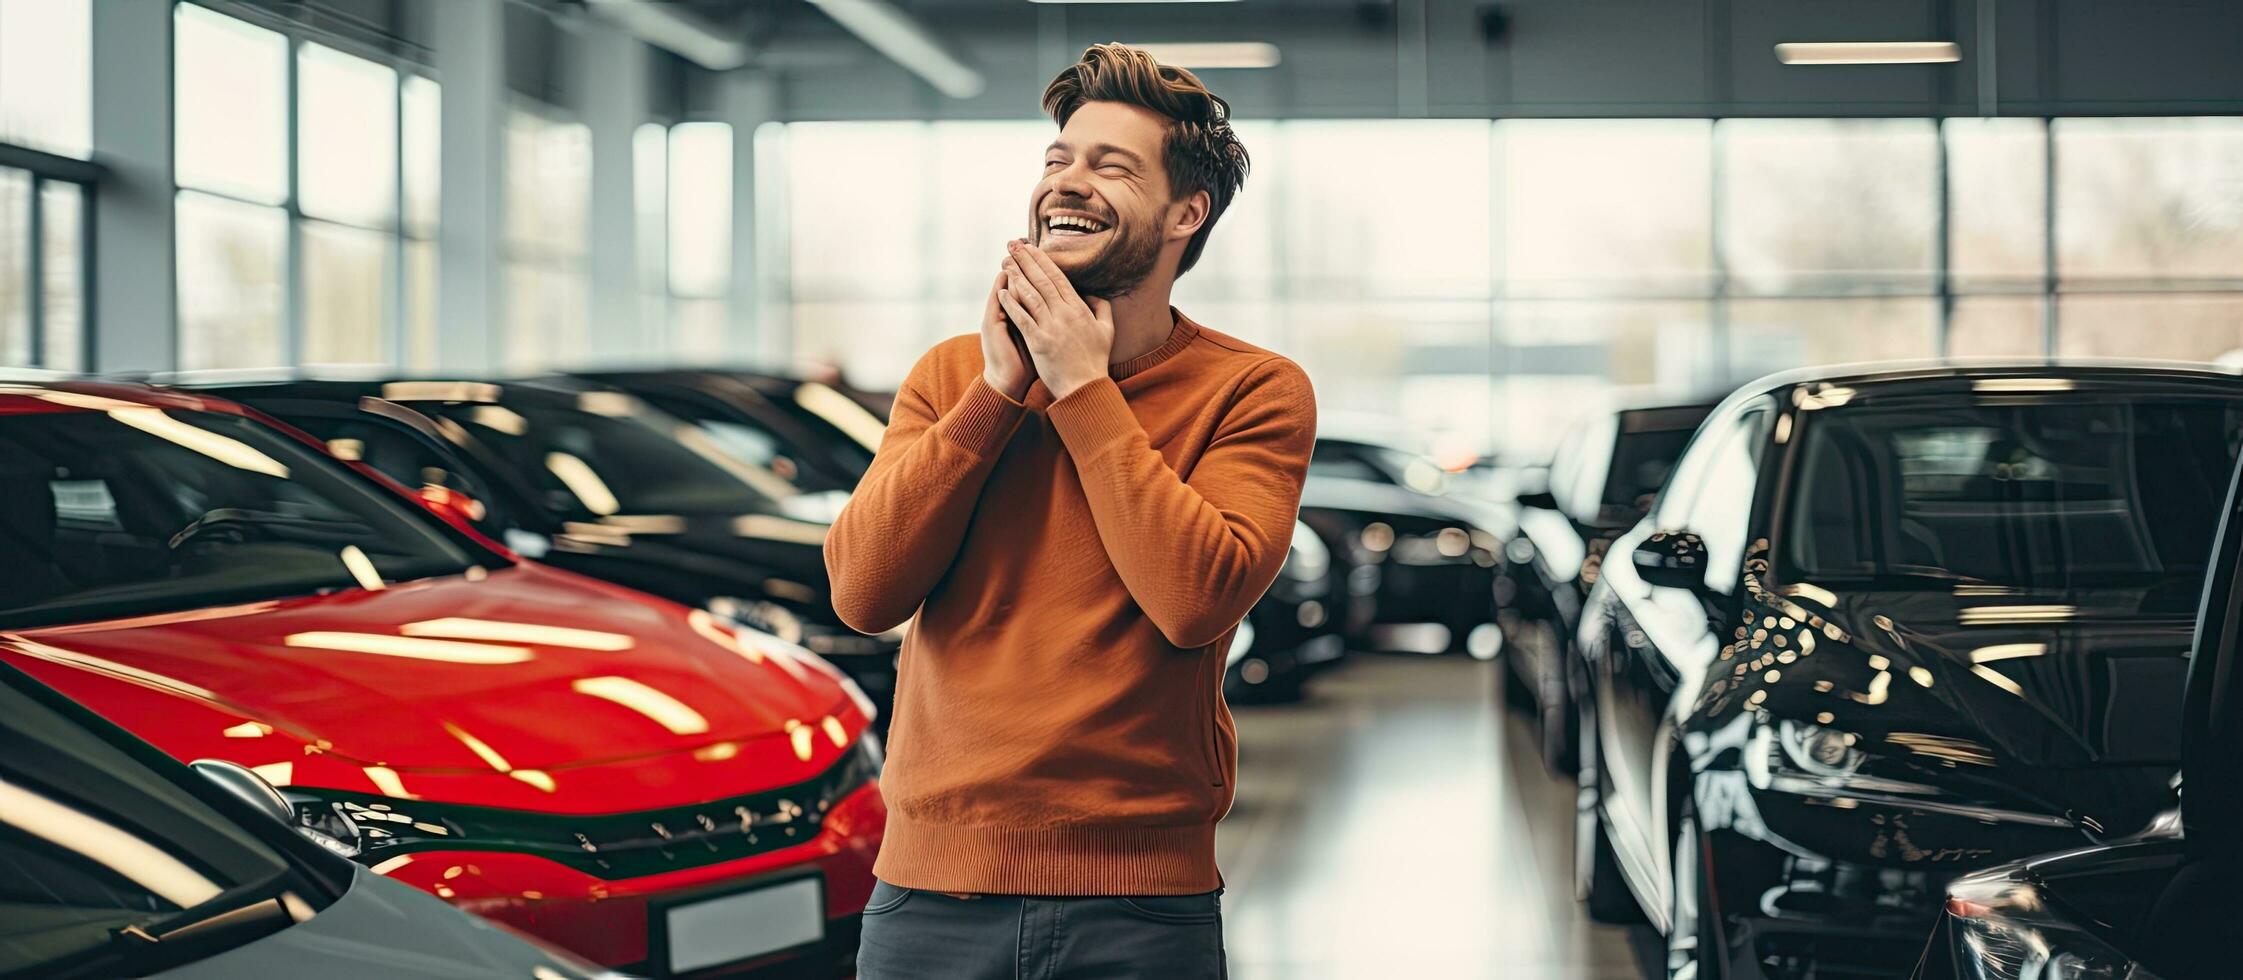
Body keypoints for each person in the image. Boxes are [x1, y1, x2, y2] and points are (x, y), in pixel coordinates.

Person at [824, 42, 1316, 979]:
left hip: (1140, 905)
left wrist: (1084, 389)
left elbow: (1194, 598)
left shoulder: (1255, 390)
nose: (1069, 183)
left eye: (1110, 165)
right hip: (929, 893)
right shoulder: (951, 376)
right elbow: (862, 591)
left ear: (1186, 213)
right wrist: (999, 392)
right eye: (1058, 160)